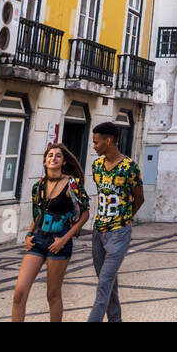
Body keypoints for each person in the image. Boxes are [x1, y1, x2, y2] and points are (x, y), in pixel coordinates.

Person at [11, 143, 90, 322]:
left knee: (53, 294)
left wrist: (65, 239)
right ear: (45, 161)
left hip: (59, 239)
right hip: (38, 239)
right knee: (19, 293)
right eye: (50, 156)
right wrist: (28, 235)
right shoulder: (38, 186)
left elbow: (85, 213)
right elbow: (37, 214)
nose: (53, 158)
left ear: (63, 162)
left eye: (57, 156)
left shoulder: (72, 184)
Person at [88, 121, 144, 323]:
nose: (93, 146)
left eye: (96, 142)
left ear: (108, 141)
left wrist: (124, 219)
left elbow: (139, 198)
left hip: (119, 233)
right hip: (98, 232)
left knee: (104, 283)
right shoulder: (96, 166)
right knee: (109, 284)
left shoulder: (129, 167)